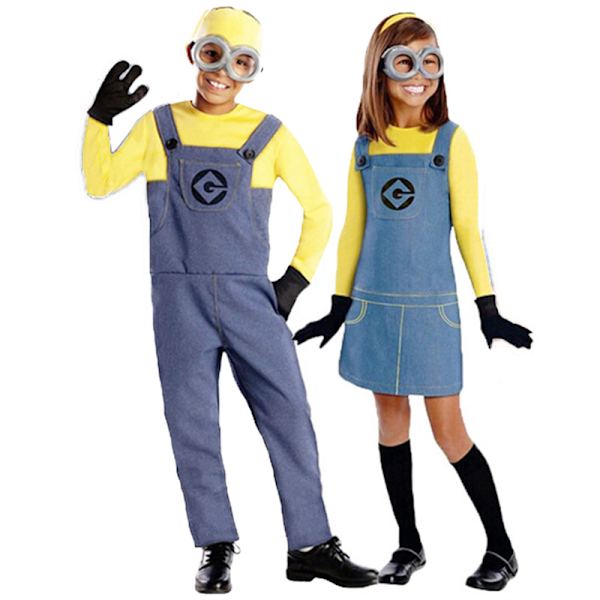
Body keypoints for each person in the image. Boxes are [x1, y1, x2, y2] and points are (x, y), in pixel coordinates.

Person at [82, 6, 377, 594]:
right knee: (192, 423)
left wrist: (293, 282)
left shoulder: (269, 134)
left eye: (241, 63)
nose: (223, 73)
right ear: (192, 54)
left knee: (289, 415)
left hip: (251, 298)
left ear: (253, 70)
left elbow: (320, 211)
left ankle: (310, 547)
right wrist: (98, 120)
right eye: (212, 55)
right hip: (178, 299)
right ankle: (215, 545)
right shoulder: (158, 126)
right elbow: (100, 182)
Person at [294, 12, 532, 592]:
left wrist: (488, 305)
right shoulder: (364, 147)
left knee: (449, 431)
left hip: (431, 311)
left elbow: (467, 227)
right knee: (391, 422)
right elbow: (354, 229)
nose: (420, 74)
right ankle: (408, 542)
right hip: (375, 307)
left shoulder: (451, 141)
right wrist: (338, 304)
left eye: (431, 61)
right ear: (380, 70)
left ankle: (501, 547)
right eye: (405, 61)